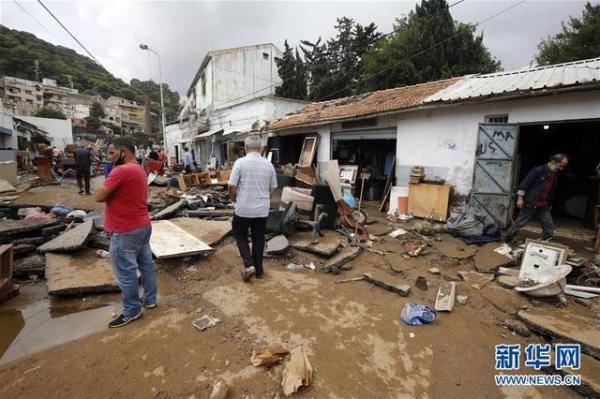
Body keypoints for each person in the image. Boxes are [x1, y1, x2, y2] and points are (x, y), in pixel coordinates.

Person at [94, 137, 157, 328]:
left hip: (126, 229)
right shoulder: (139, 169)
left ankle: (132, 310)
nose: (109, 157)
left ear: (124, 151)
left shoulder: (121, 170)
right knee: (146, 265)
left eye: (112, 153)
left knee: (125, 273)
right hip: (142, 225)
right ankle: (150, 299)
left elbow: (98, 196)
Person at [228, 136, 277, 281]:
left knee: (240, 235)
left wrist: (234, 198)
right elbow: (274, 187)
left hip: (243, 209)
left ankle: (249, 266)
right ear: (261, 149)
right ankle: (259, 270)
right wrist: (266, 198)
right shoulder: (268, 165)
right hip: (262, 210)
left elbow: (231, 186)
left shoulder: (240, 163)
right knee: (258, 239)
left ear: (246, 148)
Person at [504, 153, 569, 243]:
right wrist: (520, 199)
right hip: (531, 203)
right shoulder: (538, 170)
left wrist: (549, 203)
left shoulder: (555, 174)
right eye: (560, 166)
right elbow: (524, 185)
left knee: (548, 224)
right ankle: (508, 239)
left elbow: (551, 189)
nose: (561, 169)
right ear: (553, 161)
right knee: (520, 222)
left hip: (543, 204)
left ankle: (547, 239)